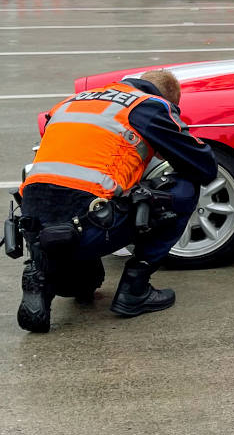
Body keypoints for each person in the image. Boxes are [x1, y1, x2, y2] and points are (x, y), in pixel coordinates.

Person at [16, 69, 218, 333]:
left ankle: (41, 276)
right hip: (89, 226)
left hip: (35, 227)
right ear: (168, 98)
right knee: (184, 187)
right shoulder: (150, 106)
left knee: (88, 282)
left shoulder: (71, 102)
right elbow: (204, 166)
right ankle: (135, 290)